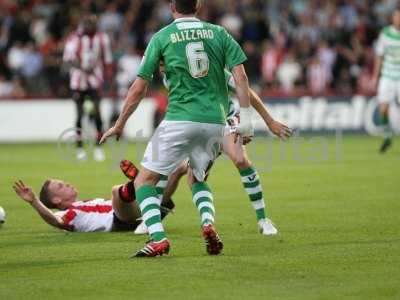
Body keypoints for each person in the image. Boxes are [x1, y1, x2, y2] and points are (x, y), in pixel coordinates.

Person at [101, 0, 254, 257]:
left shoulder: (162, 37)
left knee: (144, 181)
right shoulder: (219, 33)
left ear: (172, 6)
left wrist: (119, 124)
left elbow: (139, 88)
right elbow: (241, 78)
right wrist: (247, 122)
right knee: (198, 176)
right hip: (215, 123)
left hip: (180, 119)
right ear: (198, 5)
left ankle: (158, 238)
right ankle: (207, 223)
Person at [133, 68, 292, 236]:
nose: (160, 66)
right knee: (174, 169)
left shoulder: (208, 65)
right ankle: (156, 217)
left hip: (223, 120)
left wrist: (269, 121)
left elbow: (242, 86)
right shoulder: (169, 76)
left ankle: (263, 219)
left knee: (240, 160)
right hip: (190, 123)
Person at [63, 15, 113, 162]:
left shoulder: (102, 38)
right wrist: (83, 68)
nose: (89, 27)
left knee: (96, 114)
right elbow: (67, 61)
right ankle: (80, 148)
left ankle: (98, 148)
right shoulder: (74, 38)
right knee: (79, 115)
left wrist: (108, 81)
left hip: (95, 82)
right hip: (78, 82)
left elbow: (108, 61)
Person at [373, 6, 400, 153]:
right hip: (388, 76)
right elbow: (379, 55)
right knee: (383, 109)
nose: (397, 19)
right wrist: (375, 76)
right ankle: (387, 137)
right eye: (396, 17)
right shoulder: (385, 34)